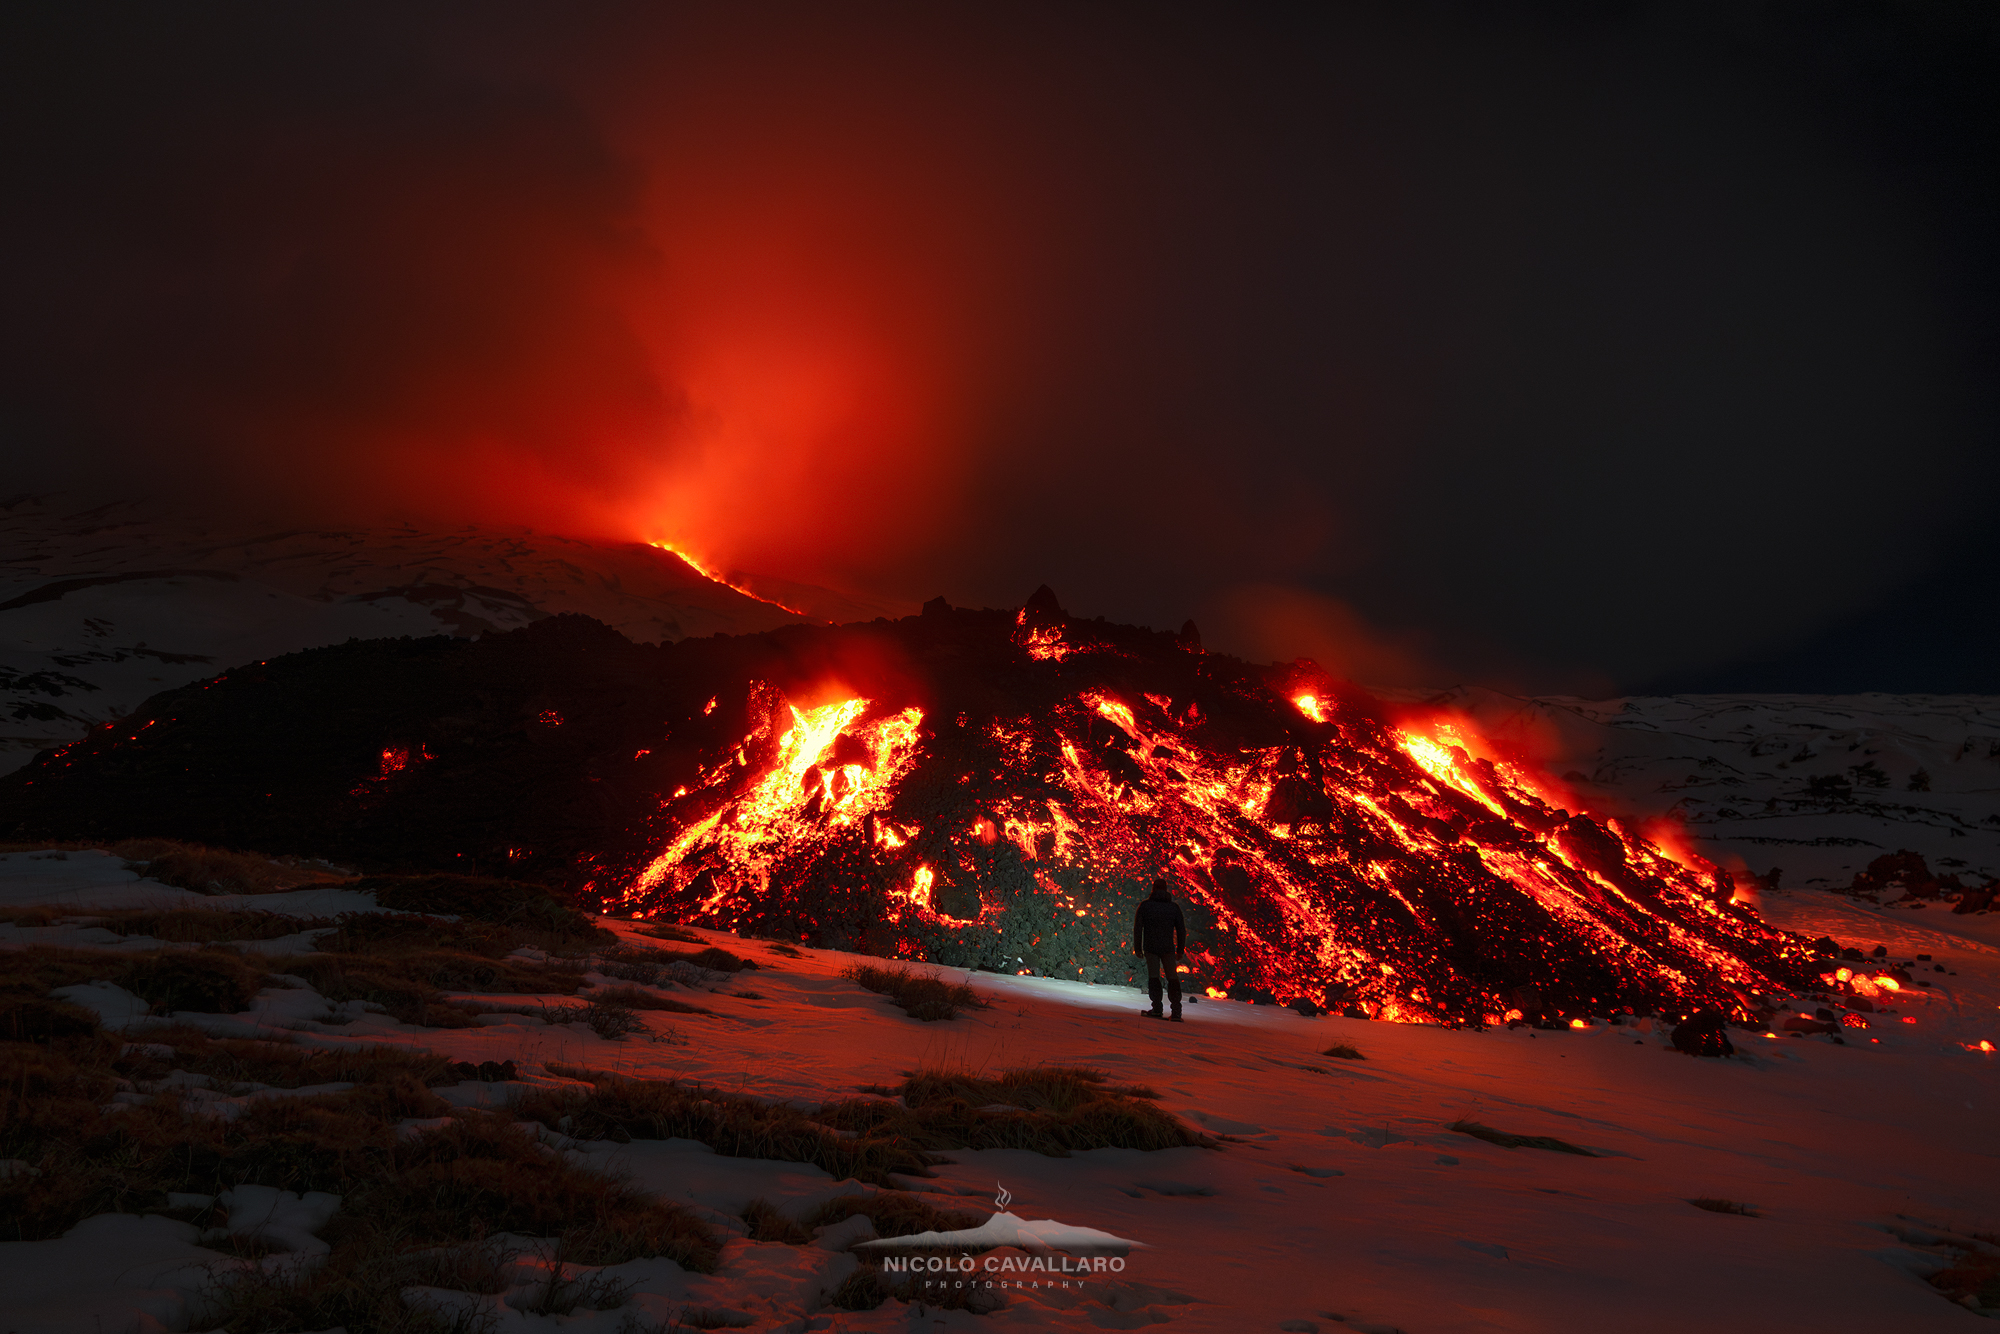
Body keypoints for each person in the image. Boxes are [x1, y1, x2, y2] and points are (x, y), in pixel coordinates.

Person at [1133, 878, 1188, 1021]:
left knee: (1154, 977)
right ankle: (1176, 1011)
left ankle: (1157, 1008)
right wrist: (1180, 950)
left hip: (1151, 947)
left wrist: (1138, 948)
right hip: (1168, 948)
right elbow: (1181, 930)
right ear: (1165, 889)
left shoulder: (1145, 906)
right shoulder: (1173, 907)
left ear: (1153, 889)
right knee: (1172, 978)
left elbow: (1138, 928)